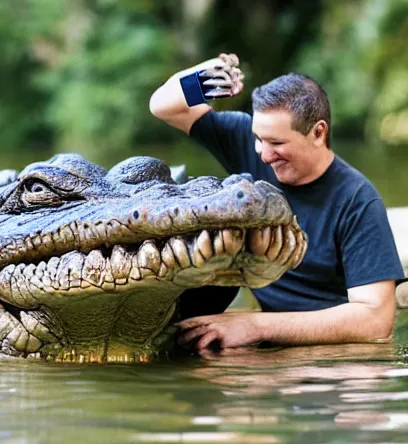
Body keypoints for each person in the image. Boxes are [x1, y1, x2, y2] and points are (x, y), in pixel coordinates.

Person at [149, 53, 405, 357]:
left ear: (318, 133)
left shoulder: (358, 200)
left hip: (336, 351)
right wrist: (207, 78)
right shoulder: (251, 143)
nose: (264, 154)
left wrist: (255, 326)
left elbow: (375, 322)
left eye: (277, 144)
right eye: (258, 139)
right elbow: (164, 106)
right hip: (266, 339)